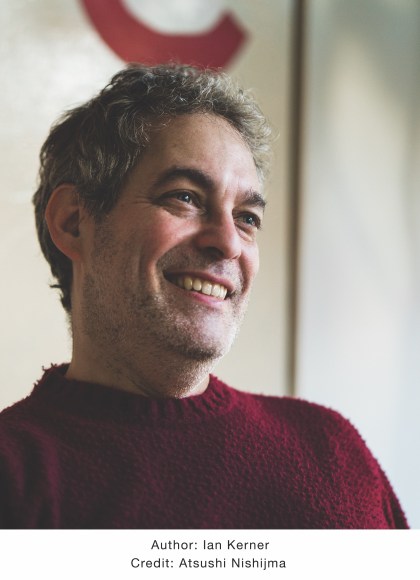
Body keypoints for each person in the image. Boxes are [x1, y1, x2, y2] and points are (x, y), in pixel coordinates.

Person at [0, 64, 408, 529]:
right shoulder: (14, 476)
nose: (229, 242)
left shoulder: (333, 448)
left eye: (247, 218)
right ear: (74, 222)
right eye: (186, 197)